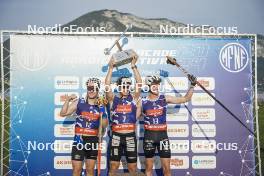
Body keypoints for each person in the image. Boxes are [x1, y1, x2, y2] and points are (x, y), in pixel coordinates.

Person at [142, 74, 196, 176]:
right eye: (154, 84)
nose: (156, 86)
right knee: (148, 169)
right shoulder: (143, 101)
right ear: (148, 86)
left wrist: (192, 85)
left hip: (163, 137)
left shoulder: (164, 98)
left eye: (158, 84)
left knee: (167, 170)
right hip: (149, 137)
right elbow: (132, 117)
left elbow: (185, 99)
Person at [60, 78, 108, 176]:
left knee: (90, 171)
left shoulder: (100, 104)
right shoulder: (79, 102)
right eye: (89, 88)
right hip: (79, 140)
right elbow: (63, 113)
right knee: (77, 170)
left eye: (94, 88)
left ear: (98, 89)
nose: (91, 90)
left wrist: (102, 109)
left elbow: (104, 125)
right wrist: (68, 99)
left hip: (93, 141)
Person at [105, 54, 142, 175]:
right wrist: (110, 68)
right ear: (119, 87)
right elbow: (107, 86)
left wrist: (133, 66)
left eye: (127, 86)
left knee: (132, 169)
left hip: (130, 137)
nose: (125, 88)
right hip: (116, 137)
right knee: (113, 168)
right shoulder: (113, 99)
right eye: (123, 86)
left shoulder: (134, 98)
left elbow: (139, 83)